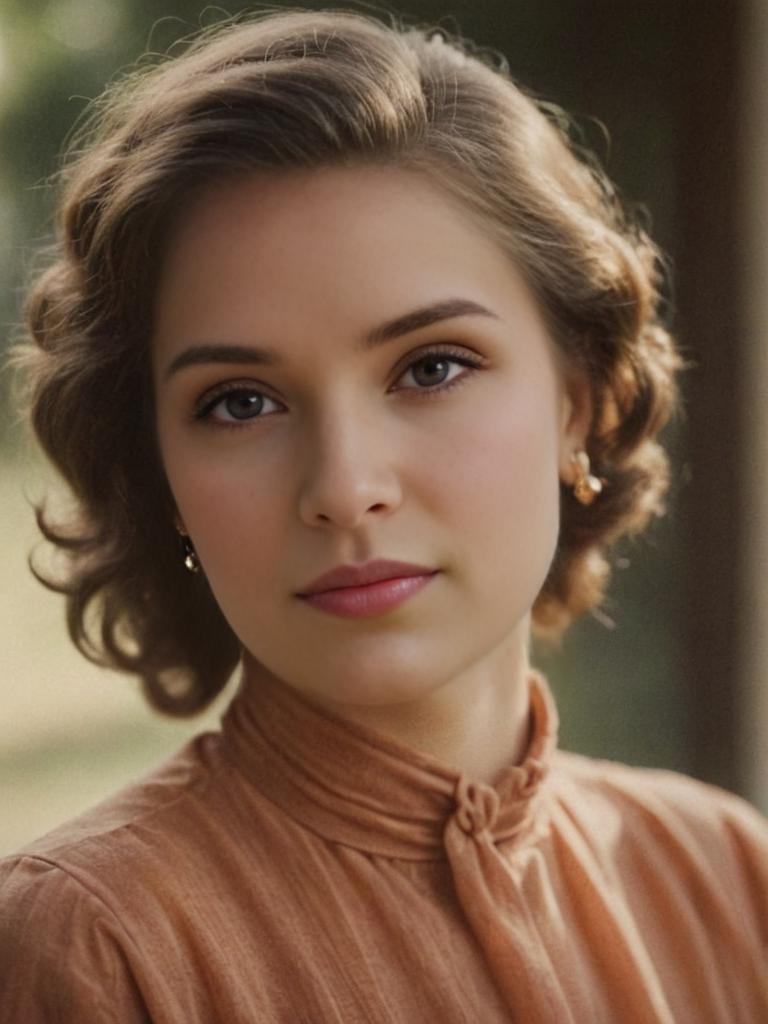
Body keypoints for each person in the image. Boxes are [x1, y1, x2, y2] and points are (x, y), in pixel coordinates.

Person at [1, 8, 766, 1022]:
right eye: (240, 401)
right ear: (160, 473)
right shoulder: (95, 947)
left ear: (574, 400)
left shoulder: (724, 878)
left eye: (431, 366)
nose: (345, 484)